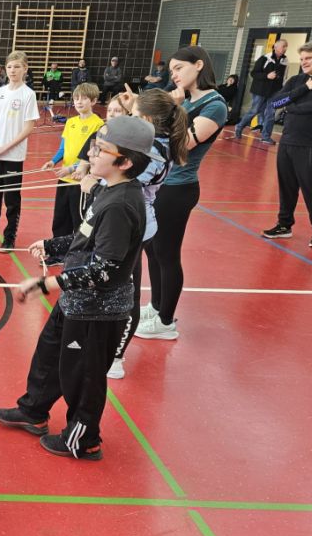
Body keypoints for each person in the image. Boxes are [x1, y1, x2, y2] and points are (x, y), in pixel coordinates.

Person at [0, 115, 153, 460]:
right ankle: (34, 411)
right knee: (49, 355)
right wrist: (52, 247)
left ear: (124, 161)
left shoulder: (122, 204)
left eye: (101, 149)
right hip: (77, 300)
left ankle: (84, 439)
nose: (91, 153)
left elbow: (105, 270)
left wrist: (50, 281)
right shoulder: (106, 190)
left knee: (83, 376)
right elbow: (86, 239)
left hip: (98, 310)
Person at [136, 46, 227, 340]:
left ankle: (166, 321)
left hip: (179, 187)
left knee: (167, 253)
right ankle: (156, 305)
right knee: (152, 248)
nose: (173, 74)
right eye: (172, 69)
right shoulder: (187, 101)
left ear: (198, 65)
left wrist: (172, 110)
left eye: (178, 68)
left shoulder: (215, 105)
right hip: (161, 183)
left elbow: (183, 144)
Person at [107, 89, 188, 379]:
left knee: (126, 292)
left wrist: (96, 178)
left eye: (136, 116)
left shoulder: (155, 151)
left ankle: (115, 357)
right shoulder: (152, 141)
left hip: (133, 226)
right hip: (127, 221)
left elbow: (124, 182)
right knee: (116, 287)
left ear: (149, 119)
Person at [262, 40, 312, 249]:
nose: (304, 62)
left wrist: (292, 108)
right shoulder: (298, 79)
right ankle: (284, 225)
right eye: (301, 59)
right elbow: (275, 103)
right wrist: (306, 87)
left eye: (309, 58)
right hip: (288, 140)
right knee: (287, 185)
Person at [0, 51, 40, 252]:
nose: (13, 71)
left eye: (17, 67)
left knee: (12, 199)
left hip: (13, 156)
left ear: (25, 69)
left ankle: (10, 236)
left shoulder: (28, 94)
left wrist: (4, 147)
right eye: (10, 67)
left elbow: (28, 128)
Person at [42, 82, 104, 240]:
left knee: (78, 218)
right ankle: (58, 250)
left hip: (81, 180)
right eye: (76, 98)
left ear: (94, 101)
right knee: (60, 217)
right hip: (64, 178)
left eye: (84, 98)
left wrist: (73, 168)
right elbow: (63, 148)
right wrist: (53, 161)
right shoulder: (70, 122)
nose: (79, 101)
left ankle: (76, 252)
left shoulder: (98, 124)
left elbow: (94, 155)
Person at [235, 39, 288, 144]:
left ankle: (266, 137)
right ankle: (239, 126)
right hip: (260, 90)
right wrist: (267, 76)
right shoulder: (265, 58)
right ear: (275, 47)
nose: (285, 49)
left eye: (286, 47)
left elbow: (284, 77)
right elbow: (254, 73)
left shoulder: (285, 61)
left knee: (271, 113)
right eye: (283, 46)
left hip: (274, 92)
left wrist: (282, 89)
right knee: (255, 111)